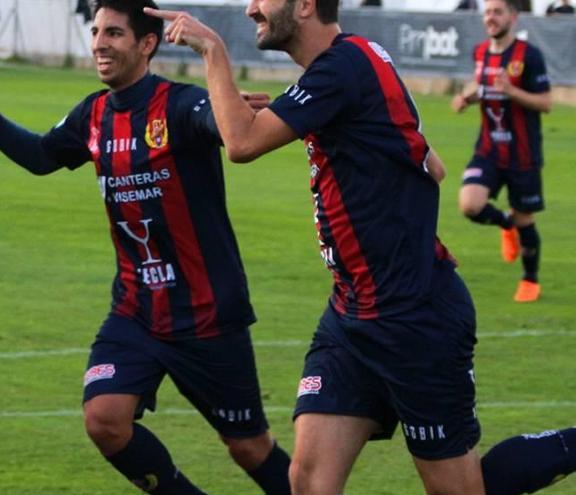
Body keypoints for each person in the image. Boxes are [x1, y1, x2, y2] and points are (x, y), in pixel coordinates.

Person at [145, 2, 575, 494]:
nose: (250, 8)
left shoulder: (342, 67)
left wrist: (213, 50)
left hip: (415, 318)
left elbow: (240, 143)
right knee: (308, 483)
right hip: (352, 317)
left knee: (461, 489)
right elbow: (430, 163)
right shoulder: (359, 59)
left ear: (304, 6)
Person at [0, 1, 291, 493]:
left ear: (146, 44)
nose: (99, 43)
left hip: (207, 313)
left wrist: (228, 106)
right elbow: (41, 157)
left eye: (114, 33)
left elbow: (222, 128)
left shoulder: (180, 104)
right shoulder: (94, 113)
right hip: (136, 309)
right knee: (104, 419)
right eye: (95, 32)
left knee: (247, 446)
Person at [452, 0, 552, 303]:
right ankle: (505, 224)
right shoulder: (480, 53)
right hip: (488, 149)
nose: (490, 18)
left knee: (527, 220)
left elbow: (545, 103)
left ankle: (530, 280)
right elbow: (480, 85)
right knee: (469, 204)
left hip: (522, 153)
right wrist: (466, 97)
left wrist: (513, 92)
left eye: (497, 12)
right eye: (487, 12)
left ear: (513, 16)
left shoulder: (528, 56)